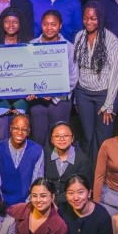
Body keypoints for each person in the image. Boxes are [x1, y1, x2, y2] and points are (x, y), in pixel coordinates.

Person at [72, 1, 118, 157]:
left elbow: (116, 73)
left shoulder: (111, 39)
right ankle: (87, 175)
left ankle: (101, 177)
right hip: (83, 94)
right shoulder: (79, 36)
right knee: (87, 137)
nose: (89, 22)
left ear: (100, 18)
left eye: (93, 18)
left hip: (105, 94)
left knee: (103, 139)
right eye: (86, 18)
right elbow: (76, 68)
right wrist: (75, 98)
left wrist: (109, 104)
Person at [27, 9, 78, 147]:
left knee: (58, 139)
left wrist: (54, 92)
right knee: (38, 139)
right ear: (41, 25)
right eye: (45, 24)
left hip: (60, 101)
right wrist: (30, 90)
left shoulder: (68, 47)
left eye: (53, 24)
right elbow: (27, 74)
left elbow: (73, 78)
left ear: (60, 25)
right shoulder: (31, 45)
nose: (49, 28)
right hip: (37, 101)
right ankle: (39, 168)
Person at [0, 8, 31, 141]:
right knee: (0, 136)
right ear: (2, 23)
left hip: (21, 98)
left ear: (20, 24)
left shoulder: (28, 44)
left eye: (15, 22)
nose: (11, 25)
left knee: (18, 134)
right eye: (7, 21)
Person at [0, 113, 44, 206]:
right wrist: (1, 203)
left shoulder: (37, 150)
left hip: (27, 204)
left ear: (28, 131)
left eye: (24, 129)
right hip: (1, 203)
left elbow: (37, 183)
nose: (20, 132)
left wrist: (26, 205)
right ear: (10, 129)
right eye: (16, 128)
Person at [43, 121, 93, 188]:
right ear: (52, 139)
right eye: (57, 136)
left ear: (72, 138)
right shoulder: (44, 154)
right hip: (48, 197)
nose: (62, 139)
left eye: (66, 136)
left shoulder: (82, 159)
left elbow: (84, 187)